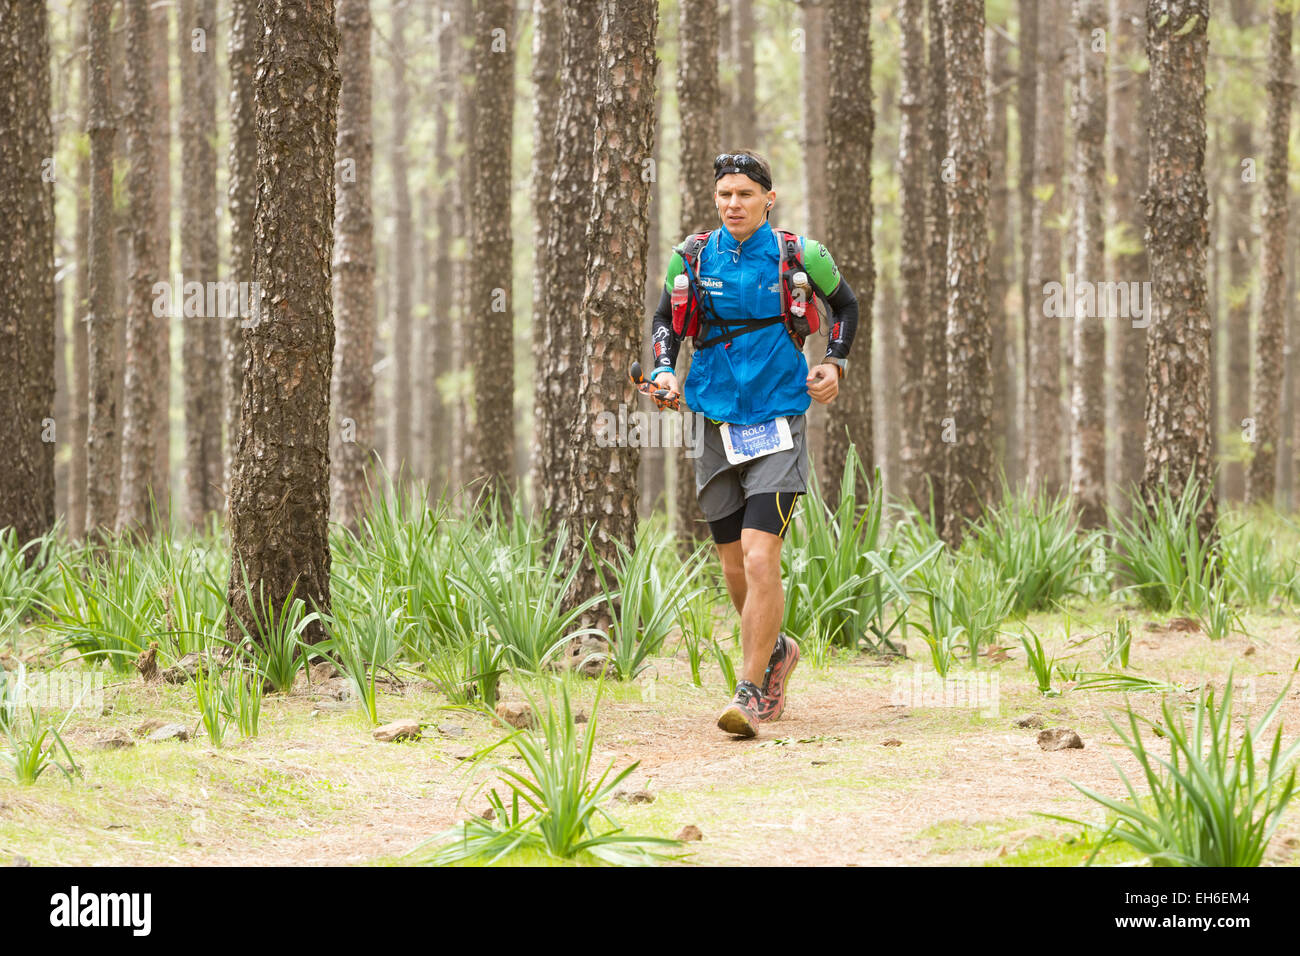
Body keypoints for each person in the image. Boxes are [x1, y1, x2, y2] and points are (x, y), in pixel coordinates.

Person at [647, 149, 858, 738]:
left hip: (780, 417)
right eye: (724, 195)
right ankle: (777, 651)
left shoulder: (800, 254)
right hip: (714, 417)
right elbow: (666, 320)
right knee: (734, 565)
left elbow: (845, 305)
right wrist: (663, 371)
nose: (733, 204)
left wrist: (835, 363)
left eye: (744, 194)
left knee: (763, 556)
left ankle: (752, 690)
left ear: (769, 198)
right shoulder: (692, 256)